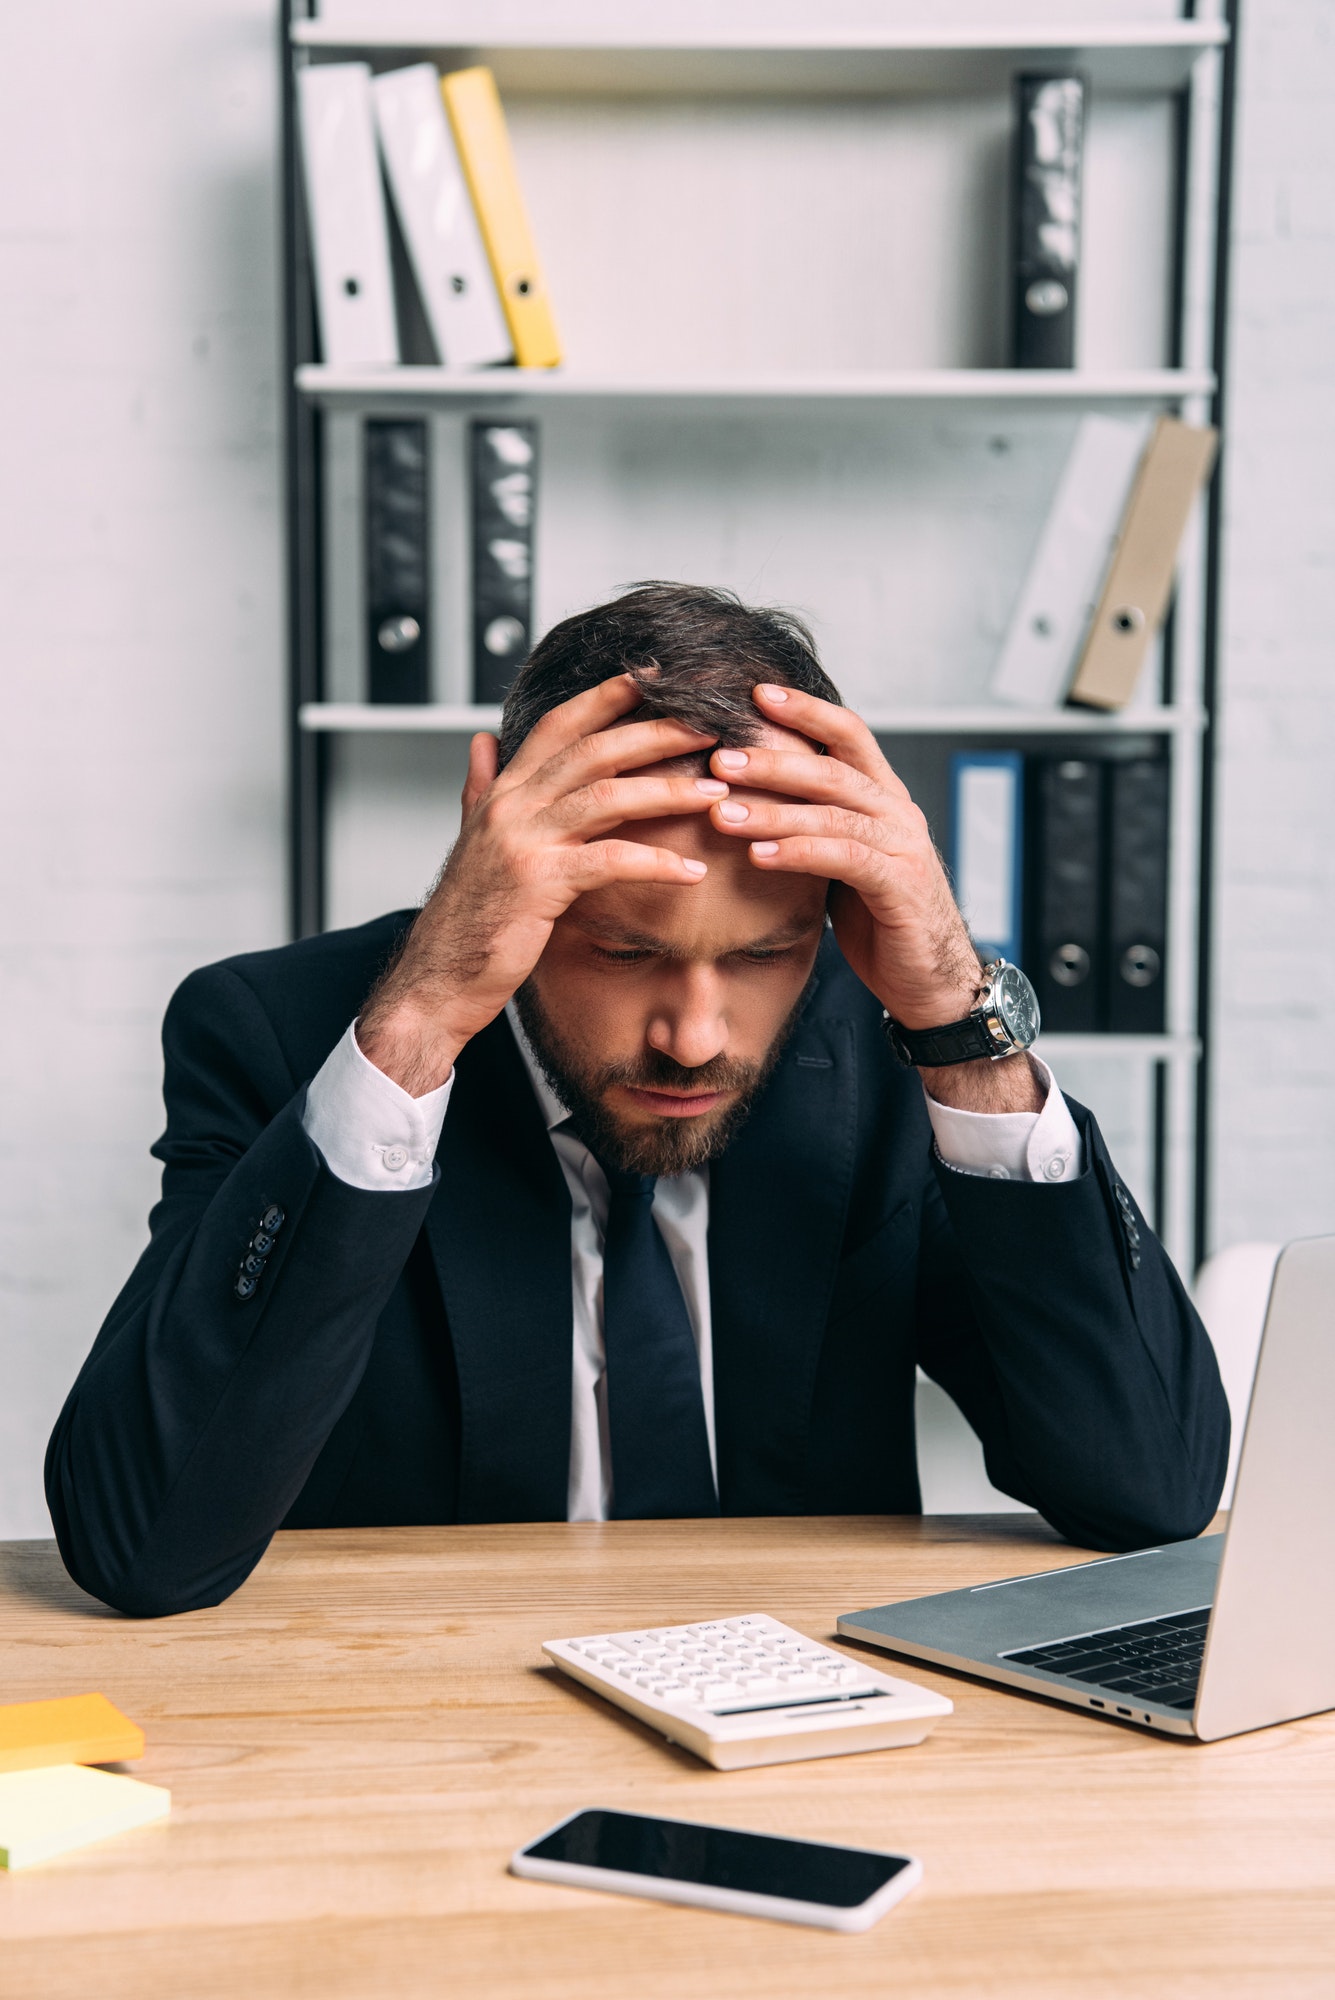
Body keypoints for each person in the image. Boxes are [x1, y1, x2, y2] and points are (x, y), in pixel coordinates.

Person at [46, 583, 1229, 1616]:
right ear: (496, 857)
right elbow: (142, 1546)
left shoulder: (881, 1054)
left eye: (763, 955)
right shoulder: (281, 1038)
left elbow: (1150, 1490)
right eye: (623, 952)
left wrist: (964, 1028)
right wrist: (413, 1028)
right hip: (411, 1730)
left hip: (800, 1728)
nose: (695, 1036)